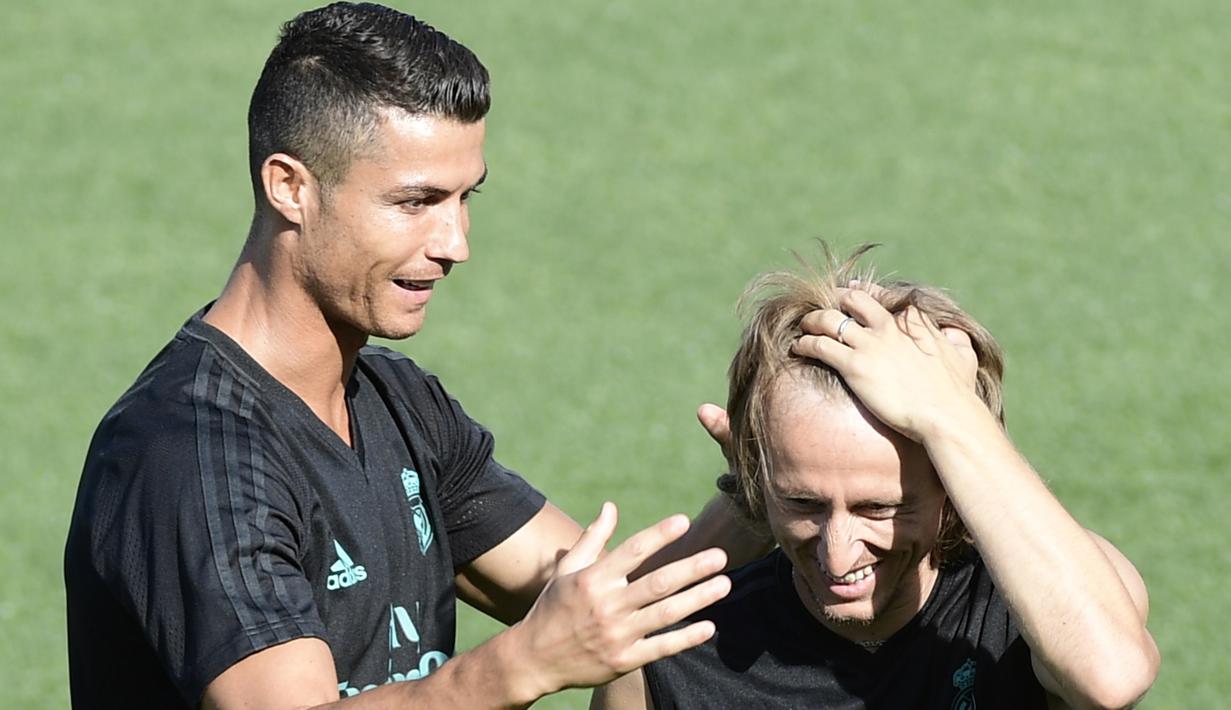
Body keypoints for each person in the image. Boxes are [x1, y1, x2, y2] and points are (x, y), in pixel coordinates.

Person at [63, 4, 765, 707]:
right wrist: (518, 666)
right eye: (416, 201)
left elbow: (597, 609)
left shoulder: (398, 403)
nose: (454, 242)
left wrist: (758, 501)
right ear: (290, 187)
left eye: (465, 198)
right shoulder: (188, 453)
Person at [594, 246, 1159, 709]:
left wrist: (954, 417)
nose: (837, 559)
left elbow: (1110, 678)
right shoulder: (672, 660)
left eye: (879, 508)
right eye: (802, 502)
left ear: (952, 482)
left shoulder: (1034, 609)